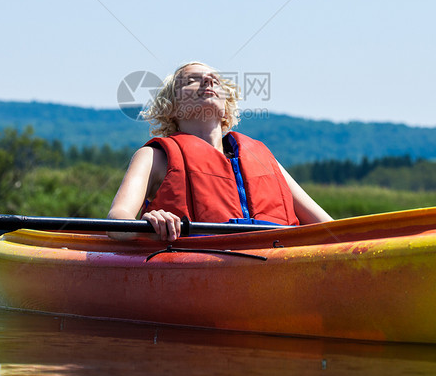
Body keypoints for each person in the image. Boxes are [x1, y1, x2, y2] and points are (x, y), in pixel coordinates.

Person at [108, 62, 332, 241]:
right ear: (172, 107)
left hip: (275, 262)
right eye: (191, 80)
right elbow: (117, 222)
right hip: (196, 263)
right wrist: (148, 223)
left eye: (215, 80)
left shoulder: (262, 158)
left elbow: (328, 228)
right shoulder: (154, 157)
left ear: (226, 108)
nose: (208, 80)